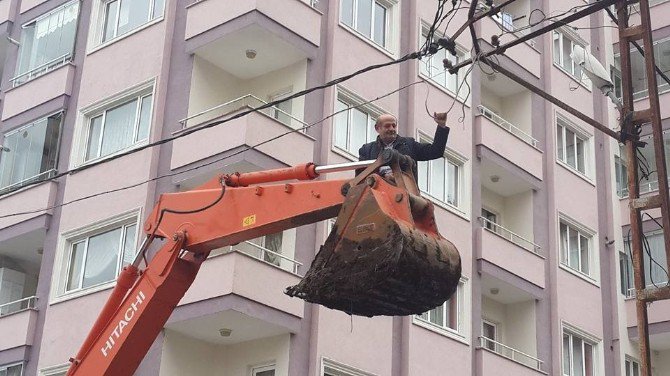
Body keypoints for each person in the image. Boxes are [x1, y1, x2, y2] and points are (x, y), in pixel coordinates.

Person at [358, 112, 450, 181]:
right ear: (377, 128)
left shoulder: (409, 144)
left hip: (405, 198)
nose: (391, 129)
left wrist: (441, 125)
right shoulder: (367, 150)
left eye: (394, 126)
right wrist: (384, 177)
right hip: (377, 198)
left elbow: (436, 151)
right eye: (387, 126)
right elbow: (360, 179)